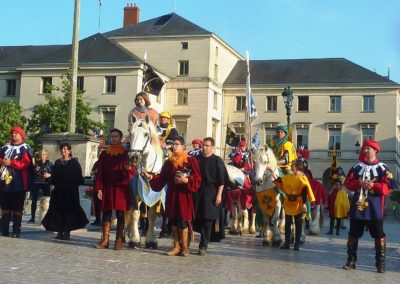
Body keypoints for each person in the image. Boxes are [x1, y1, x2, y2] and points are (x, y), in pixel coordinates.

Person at [342, 140, 396, 273]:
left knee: (379, 235)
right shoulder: (356, 167)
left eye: (368, 148)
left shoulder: (383, 168)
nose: (365, 151)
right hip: (358, 207)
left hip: (375, 208)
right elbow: (348, 183)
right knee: (353, 234)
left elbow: (388, 187)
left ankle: (380, 264)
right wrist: (360, 183)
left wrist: (373, 185)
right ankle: (351, 261)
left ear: (375, 150)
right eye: (364, 148)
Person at [142, 136, 201, 257]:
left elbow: (198, 179)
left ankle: (185, 247)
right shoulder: (168, 163)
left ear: (183, 146)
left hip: (185, 196)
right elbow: (161, 180)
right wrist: (149, 177)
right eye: (173, 144)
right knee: (173, 222)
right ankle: (176, 246)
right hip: (172, 195)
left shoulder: (191, 161)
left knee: (183, 221)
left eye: (177, 144)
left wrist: (186, 181)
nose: (174, 146)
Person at [41, 143, 88, 240]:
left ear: (70, 151)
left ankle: (67, 232)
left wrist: (67, 181)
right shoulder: (58, 162)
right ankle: (59, 231)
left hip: (70, 192)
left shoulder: (74, 163)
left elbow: (79, 178)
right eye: (62, 149)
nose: (64, 151)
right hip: (58, 192)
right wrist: (48, 177)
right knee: (58, 211)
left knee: (68, 212)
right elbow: (54, 177)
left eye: (66, 149)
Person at [94, 129, 131, 250]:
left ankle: (118, 240)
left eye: (116, 136)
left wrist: (129, 170)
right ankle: (105, 240)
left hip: (121, 187)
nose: (113, 138)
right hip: (108, 187)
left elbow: (132, 171)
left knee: (120, 214)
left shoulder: (126, 154)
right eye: (112, 136)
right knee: (107, 213)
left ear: (121, 138)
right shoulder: (104, 154)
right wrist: (99, 188)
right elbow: (100, 173)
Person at [267, 159, 315, 250]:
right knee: (288, 224)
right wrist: (271, 170)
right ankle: (287, 243)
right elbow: (279, 180)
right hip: (289, 203)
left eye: (293, 165)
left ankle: (296, 244)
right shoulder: (290, 177)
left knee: (298, 224)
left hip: (298, 203)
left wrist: (304, 204)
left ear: (296, 166)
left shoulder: (302, 177)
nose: (291, 166)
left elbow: (305, 191)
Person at [194, 137, 226, 256]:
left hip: (212, 192)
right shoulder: (197, 159)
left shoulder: (217, 160)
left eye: (207, 146)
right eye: (203, 145)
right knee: (199, 219)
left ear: (212, 147)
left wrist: (219, 195)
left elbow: (222, 181)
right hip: (198, 193)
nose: (204, 148)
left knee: (208, 219)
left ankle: (203, 245)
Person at [0, 126, 34, 238]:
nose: (14, 135)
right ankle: (4, 230)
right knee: (5, 208)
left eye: (16, 133)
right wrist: (3, 162)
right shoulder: (5, 147)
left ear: (21, 135)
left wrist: (11, 163)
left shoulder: (25, 148)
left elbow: (25, 164)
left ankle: (16, 231)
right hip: (4, 183)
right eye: (12, 133)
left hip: (19, 184)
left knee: (17, 209)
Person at [28, 149, 53, 224]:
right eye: (41, 154)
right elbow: (32, 172)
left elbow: (54, 172)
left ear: (46, 155)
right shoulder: (36, 163)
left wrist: (49, 175)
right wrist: (34, 169)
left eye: (44, 154)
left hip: (45, 183)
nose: (42, 156)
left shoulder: (50, 164)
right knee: (34, 200)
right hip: (36, 182)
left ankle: (47, 217)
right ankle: (32, 217)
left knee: (48, 200)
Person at [90, 159, 101, 226]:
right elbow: (91, 173)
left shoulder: (107, 162)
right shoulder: (97, 163)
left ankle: (103, 220)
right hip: (96, 184)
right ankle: (97, 219)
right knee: (96, 203)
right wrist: (95, 171)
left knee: (101, 204)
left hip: (104, 186)